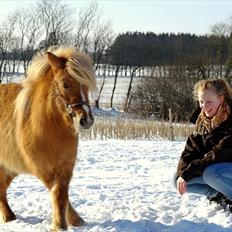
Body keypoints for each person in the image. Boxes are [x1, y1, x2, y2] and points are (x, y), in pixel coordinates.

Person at [176, 78, 232, 208]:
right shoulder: (202, 123)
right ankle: (219, 195)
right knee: (178, 180)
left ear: (221, 99)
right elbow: (190, 152)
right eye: (201, 102)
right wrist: (182, 174)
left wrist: (190, 171)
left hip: (222, 168)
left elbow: (219, 154)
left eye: (209, 101)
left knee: (212, 173)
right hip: (220, 169)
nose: (204, 106)